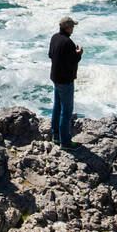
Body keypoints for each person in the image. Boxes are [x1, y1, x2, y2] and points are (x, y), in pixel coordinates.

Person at [48, 16, 83, 147]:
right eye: (72, 26)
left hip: (55, 77)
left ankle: (55, 136)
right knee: (66, 111)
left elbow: (51, 55)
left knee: (57, 106)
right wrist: (79, 53)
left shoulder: (54, 38)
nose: (73, 28)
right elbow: (73, 60)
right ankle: (65, 142)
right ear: (67, 28)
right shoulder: (68, 43)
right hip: (65, 80)